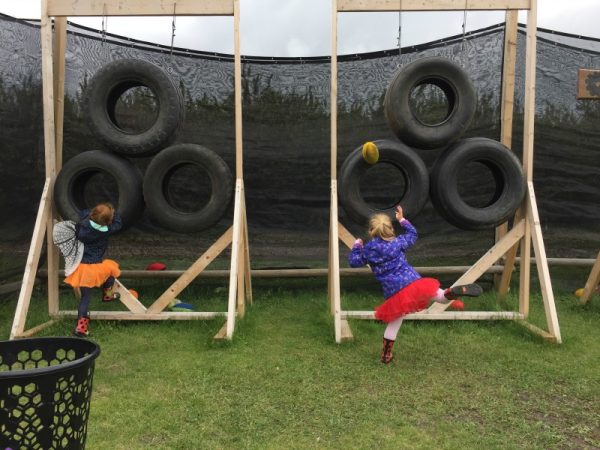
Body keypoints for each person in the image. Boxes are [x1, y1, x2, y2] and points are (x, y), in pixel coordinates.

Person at [348, 205, 482, 364]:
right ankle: (451, 292)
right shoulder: (397, 243)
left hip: (395, 292)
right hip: (413, 282)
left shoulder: (369, 250)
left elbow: (354, 262)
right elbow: (412, 234)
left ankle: (386, 356)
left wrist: (357, 246)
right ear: (390, 228)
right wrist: (402, 220)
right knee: (438, 296)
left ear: (371, 231)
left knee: (394, 323)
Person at [62, 203, 123, 337]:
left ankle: (81, 328)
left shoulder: (82, 227)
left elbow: (83, 212)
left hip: (82, 268)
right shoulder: (108, 229)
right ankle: (107, 295)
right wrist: (115, 213)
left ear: (92, 215)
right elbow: (118, 224)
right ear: (108, 221)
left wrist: (93, 213)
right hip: (96, 266)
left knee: (85, 298)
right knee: (111, 271)